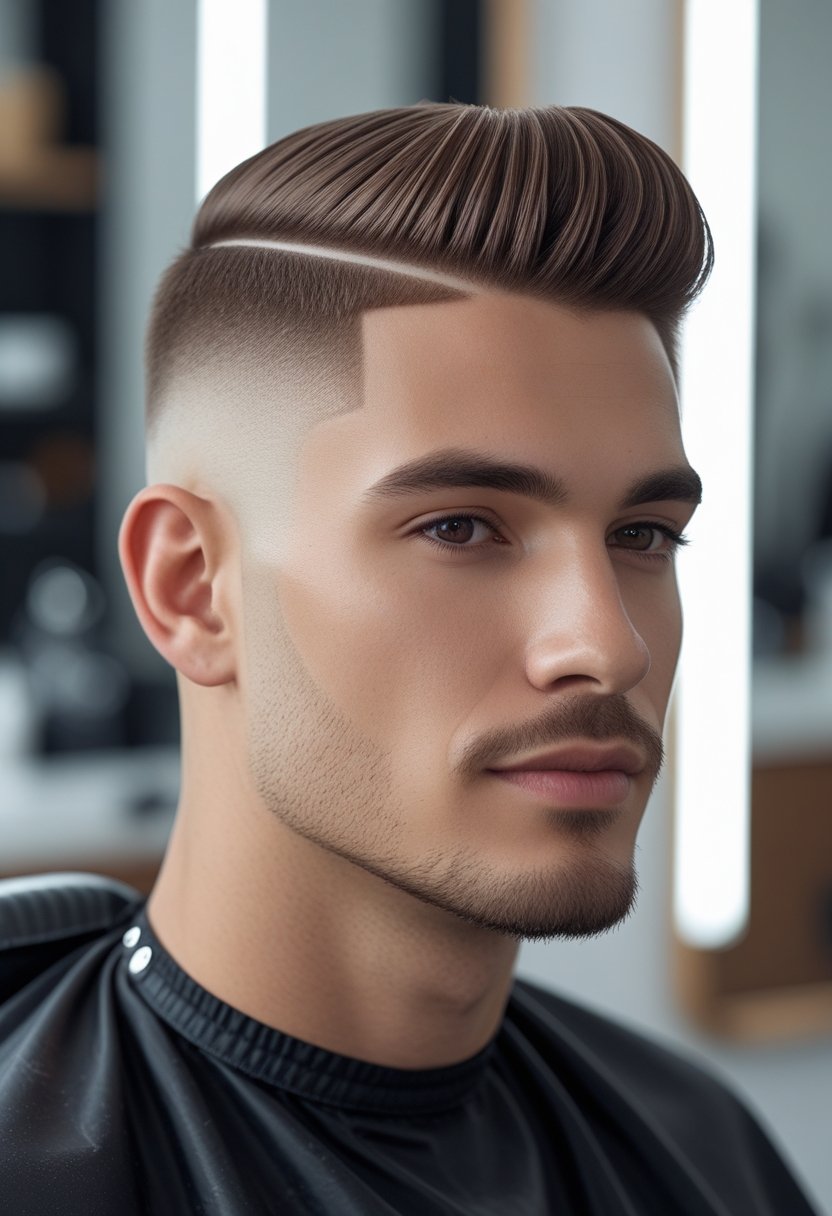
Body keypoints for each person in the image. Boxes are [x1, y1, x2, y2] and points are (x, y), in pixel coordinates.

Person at [0, 103, 821, 1215]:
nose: (605, 643)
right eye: (460, 528)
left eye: (642, 537)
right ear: (190, 586)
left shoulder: (705, 1155)